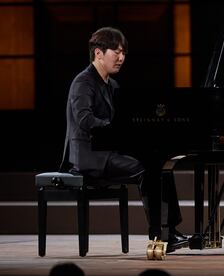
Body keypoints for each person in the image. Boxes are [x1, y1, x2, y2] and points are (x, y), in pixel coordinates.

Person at [65, 26, 188, 253]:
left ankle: (170, 229)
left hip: (109, 151)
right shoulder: (84, 82)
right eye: (116, 51)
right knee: (145, 169)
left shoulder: (112, 85)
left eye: (123, 52)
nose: (121, 57)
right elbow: (84, 119)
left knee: (160, 165)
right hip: (91, 156)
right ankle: (159, 233)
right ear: (98, 53)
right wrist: (116, 129)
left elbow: (121, 120)